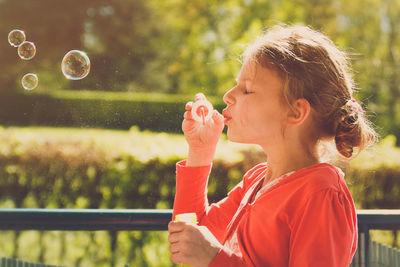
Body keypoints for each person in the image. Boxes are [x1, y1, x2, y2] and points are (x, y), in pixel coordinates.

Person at [167, 24, 377, 267]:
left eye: (246, 90)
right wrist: (200, 151)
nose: (227, 95)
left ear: (296, 112)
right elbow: (188, 237)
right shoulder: (257, 180)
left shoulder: (320, 194)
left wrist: (217, 260)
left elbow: (208, 254)